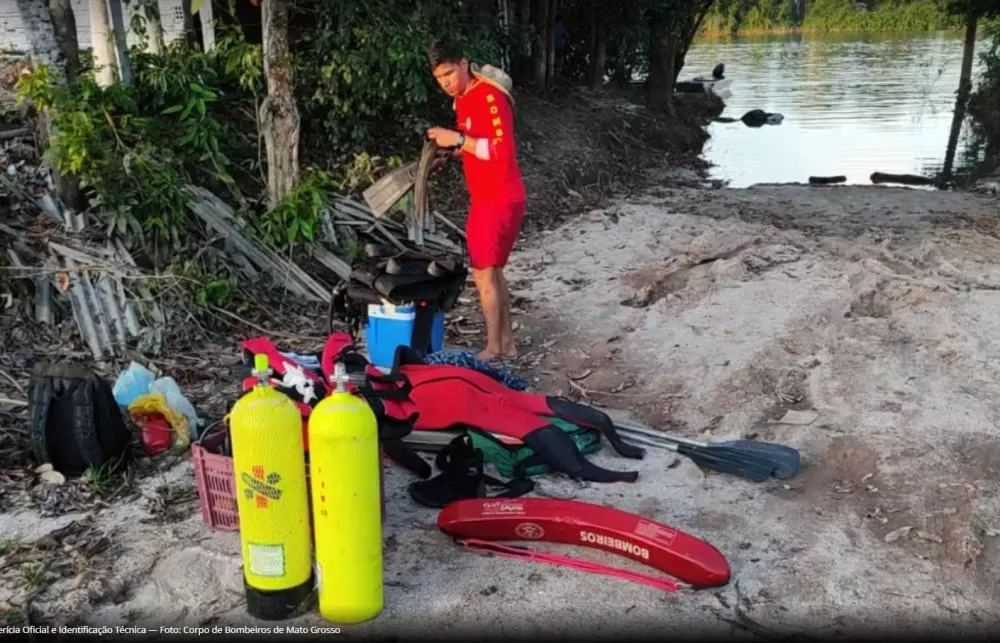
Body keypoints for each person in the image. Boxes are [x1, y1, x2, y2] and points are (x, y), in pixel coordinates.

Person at [425, 37, 527, 363]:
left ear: (464, 63)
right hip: (488, 196)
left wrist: (455, 138)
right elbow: (476, 143)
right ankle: (507, 344)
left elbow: (500, 151)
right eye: (440, 79)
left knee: (484, 274)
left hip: (498, 197)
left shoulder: (490, 96)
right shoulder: (464, 98)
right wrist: (452, 153)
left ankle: (493, 349)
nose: (447, 84)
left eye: (450, 75)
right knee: (493, 273)